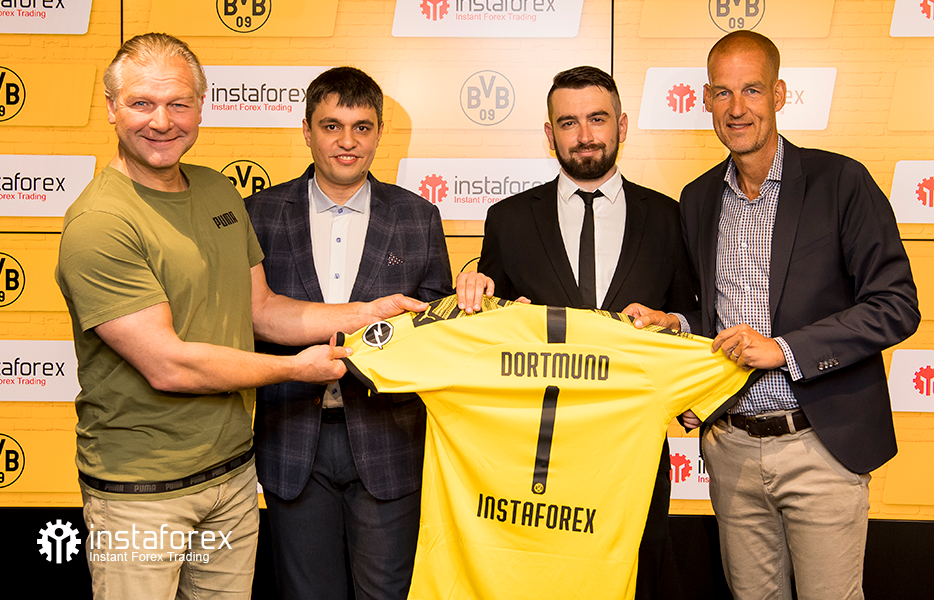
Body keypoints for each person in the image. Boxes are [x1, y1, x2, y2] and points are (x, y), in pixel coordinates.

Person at [56, 34, 425, 600]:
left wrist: (368, 311)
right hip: (142, 489)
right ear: (111, 108)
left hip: (230, 478)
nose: (162, 121)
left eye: (178, 104)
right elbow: (168, 365)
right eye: (142, 103)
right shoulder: (100, 222)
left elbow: (264, 310)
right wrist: (295, 370)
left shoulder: (216, 191)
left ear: (200, 108)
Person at [626, 31, 920, 599]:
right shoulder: (698, 198)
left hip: (821, 446)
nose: (737, 108)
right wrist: (676, 326)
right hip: (731, 449)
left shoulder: (841, 182)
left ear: (779, 94)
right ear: (705, 100)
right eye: (722, 92)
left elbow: (895, 305)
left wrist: (783, 349)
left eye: (752, 90)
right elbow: (712, 318)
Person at [456, 65, 698, 600]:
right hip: (534, 461)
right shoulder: (508, 219)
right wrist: (490, 311)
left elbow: (692, 318)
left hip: (634, 452)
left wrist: (674, 327)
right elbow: (489, 334)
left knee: (638, 579)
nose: (585, 135)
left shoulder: (669, 217)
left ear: (622, 126)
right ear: (550, 134)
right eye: (568, 122)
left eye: (598, 119)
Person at [244, 67, 453, 600]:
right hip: (293, 443)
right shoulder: (258, 214)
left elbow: (435, 334)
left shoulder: (418, 217)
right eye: (331, 126)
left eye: (362, 127)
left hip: (388, 443)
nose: (347, 141)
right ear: (307, 130)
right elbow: (248, 320)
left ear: (378, 133)